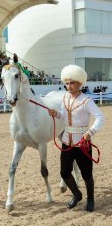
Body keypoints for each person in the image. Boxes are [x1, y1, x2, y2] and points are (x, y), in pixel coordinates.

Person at [48, 65, 105, 212]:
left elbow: (100, 117)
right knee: (64, 172)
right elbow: (63, 115)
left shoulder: (87, 100)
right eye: (66, 83)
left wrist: (90, 132)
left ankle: (91, 199)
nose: (68, 86)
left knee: (87, 174)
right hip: (67, 141)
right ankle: (77, 194)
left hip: (83, 143)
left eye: (72, 83)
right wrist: (56, 114)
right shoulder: (65, 97)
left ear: (80, 83)